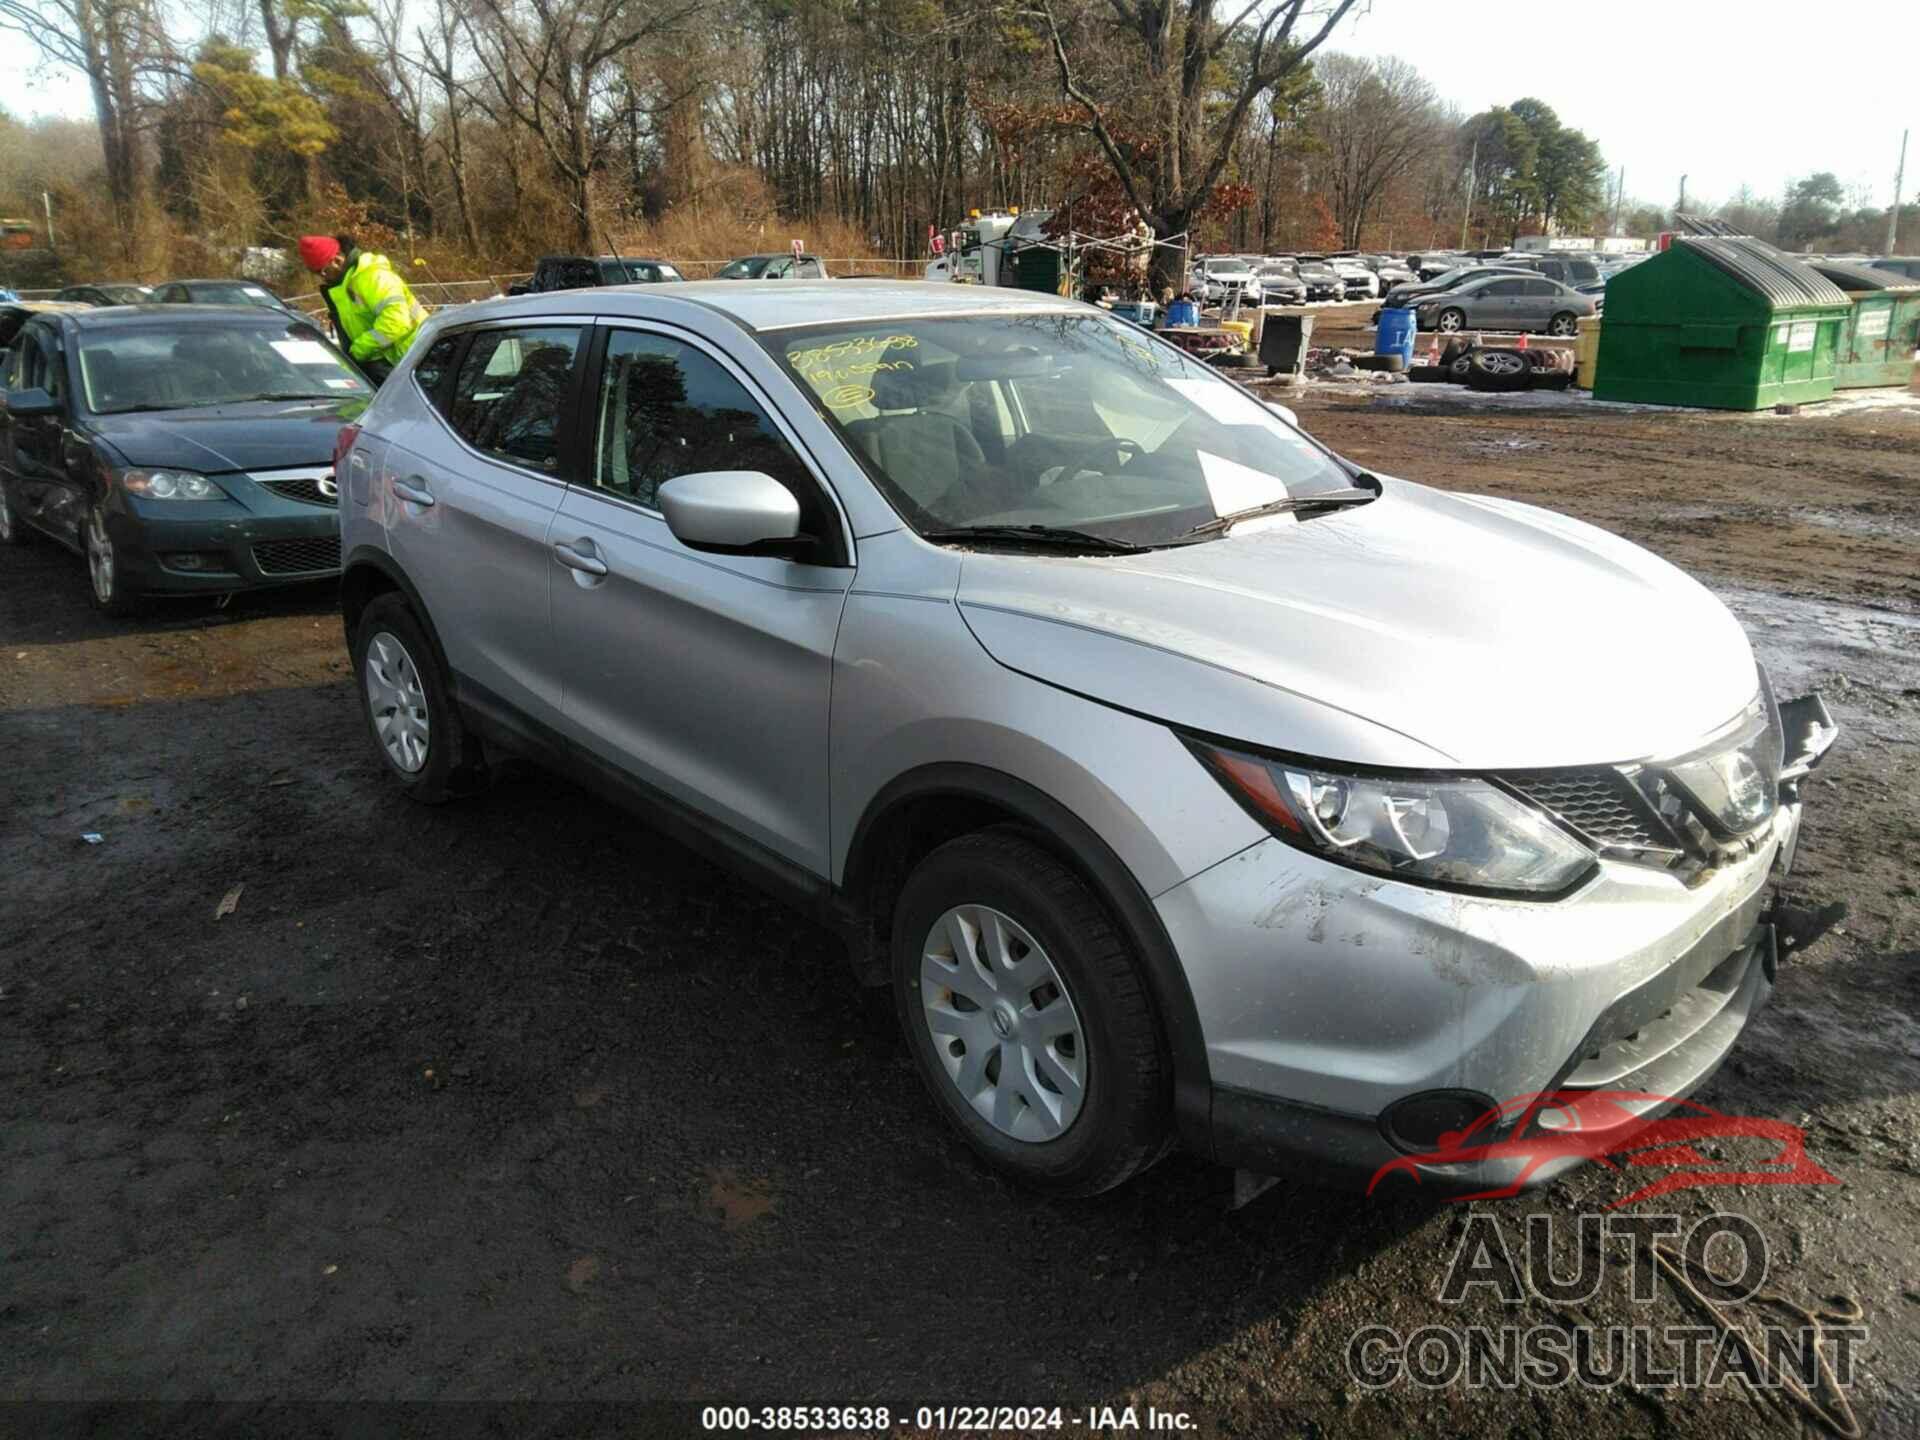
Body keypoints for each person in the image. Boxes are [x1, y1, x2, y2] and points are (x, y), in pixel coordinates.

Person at [297, 234, 427, 385]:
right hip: (389, 363)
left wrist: (359, 350)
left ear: (337, 260)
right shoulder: (344, 285)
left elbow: (396, 321)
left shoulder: (373, 277)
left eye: (323, 271)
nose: (322, 277)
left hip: (414, 359)